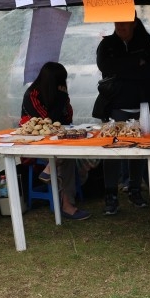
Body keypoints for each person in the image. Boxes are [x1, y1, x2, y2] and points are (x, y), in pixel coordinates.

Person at [95, 15, 150, 215]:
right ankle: (111, 195)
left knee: (139, 150)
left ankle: (135, 190)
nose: (120, 27)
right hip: (115, 106)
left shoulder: (148, 44)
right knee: (112, 150)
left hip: (143, 106)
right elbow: (106, 68)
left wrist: (123, 68)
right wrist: (135, 63)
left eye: (124, 23)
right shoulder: (107, 44)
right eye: (117, 23)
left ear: (134, 23)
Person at [21, 62, 91, 220]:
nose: (63, 85)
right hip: (36, 143)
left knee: (68, 154)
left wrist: (62, 98)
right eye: (61, 82)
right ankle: (67, 205)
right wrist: (60, 99)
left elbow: (67, 118)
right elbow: (47, 121)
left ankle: (49, 171)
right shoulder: (32, 95)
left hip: (58, 140)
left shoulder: (60, 94)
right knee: (66, 156)